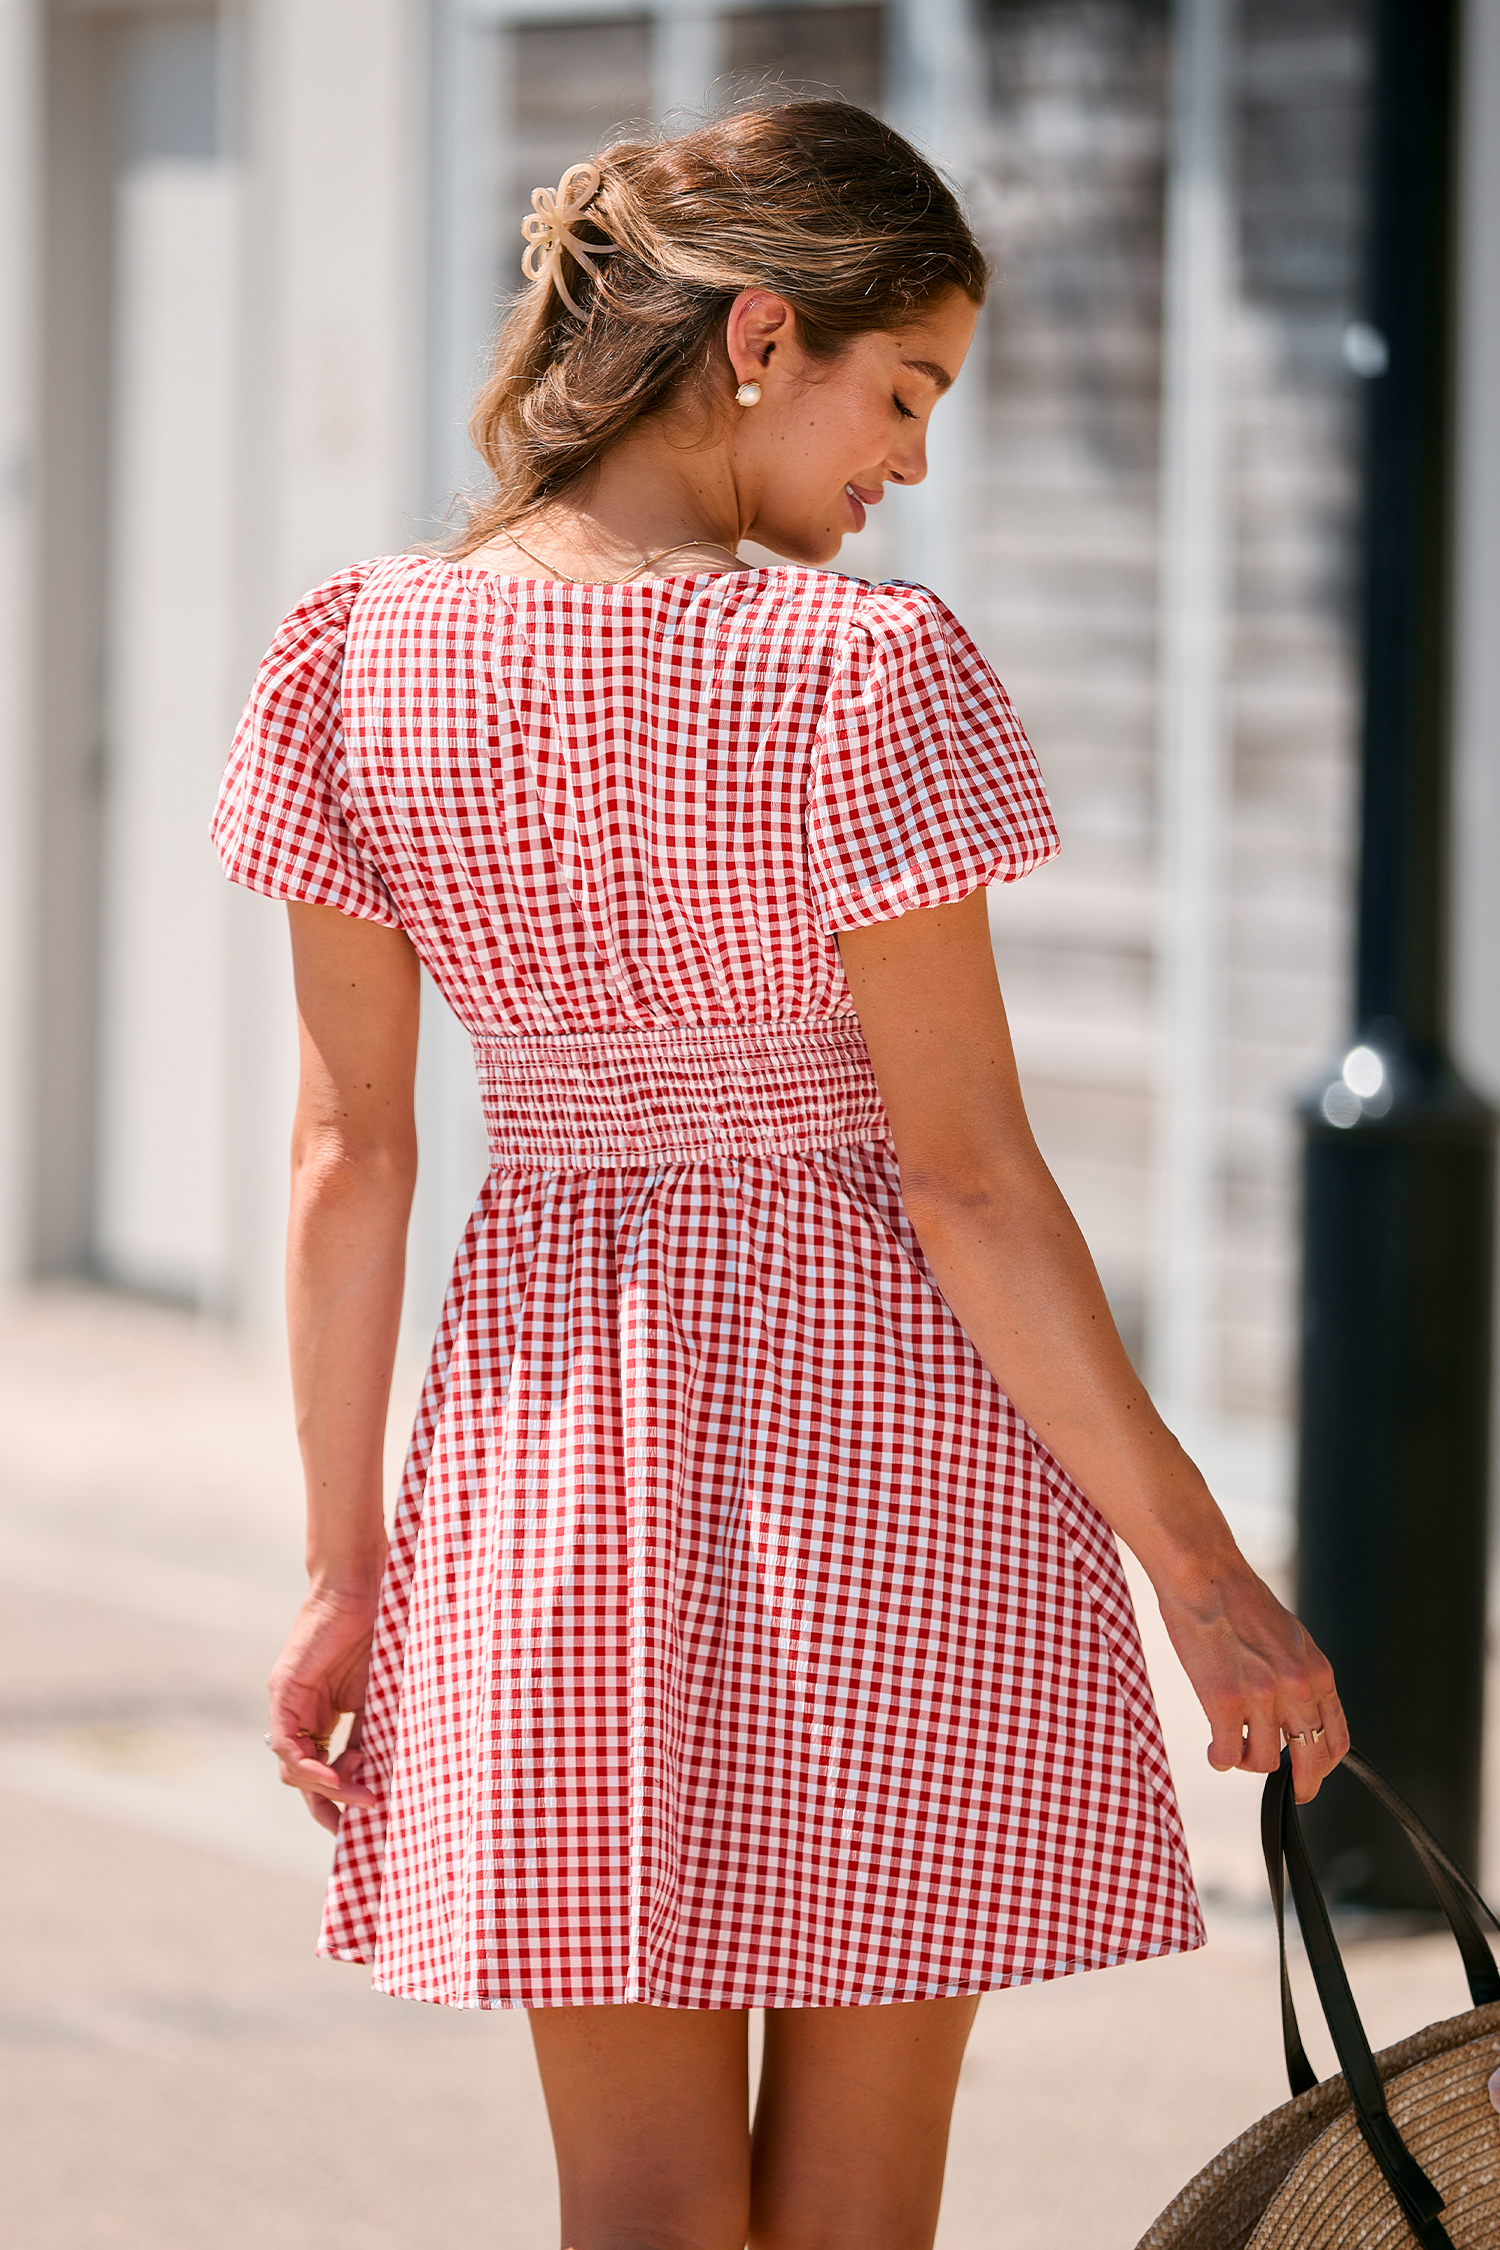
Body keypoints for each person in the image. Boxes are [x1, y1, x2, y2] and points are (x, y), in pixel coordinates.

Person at [213, 97, 1346, 2250]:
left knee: (638, 2205)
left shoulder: (351, 656)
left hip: (550, 1476)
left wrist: (347, 1565)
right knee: (856, 2218)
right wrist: (1206, 1578)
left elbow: (349, 1157)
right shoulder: (865, 668)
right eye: (901, 389)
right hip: (895, 1476)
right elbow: (970, 1184)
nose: (908, 457)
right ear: (759, 337)